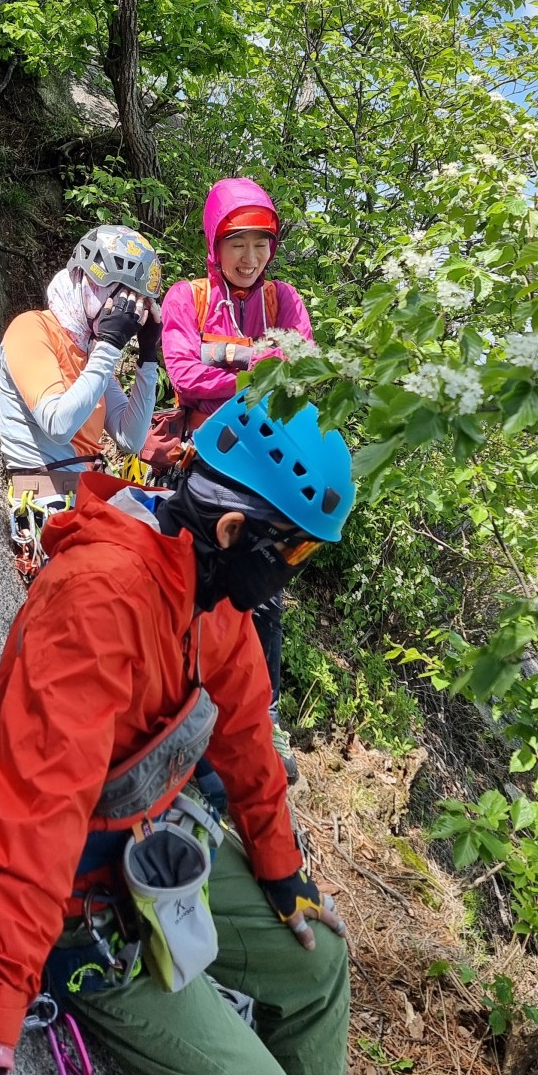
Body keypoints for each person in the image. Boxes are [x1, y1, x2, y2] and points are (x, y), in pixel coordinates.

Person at [0, 392, 355, 1075]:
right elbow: (34, 811)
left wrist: (281, 868)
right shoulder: (104, 603)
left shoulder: (206, 589)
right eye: (294, 552)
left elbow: (248, 731)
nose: (295, 573)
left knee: (319, 966)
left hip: (150, 848)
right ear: (232, 528)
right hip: (81, 901)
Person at [160, 179, 314, 782]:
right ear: (214, 242)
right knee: (187, 581)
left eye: (261, 243)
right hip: (204, 462)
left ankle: (258, 723)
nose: (249, 258)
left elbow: (303, 369)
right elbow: (183, 372)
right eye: (236, 242)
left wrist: (225, 363)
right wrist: (257, 367)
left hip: (268, 470)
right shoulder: (187, 298)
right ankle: (175, 701)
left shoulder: (284, 302)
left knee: (264, 596)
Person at [0, 224, 163, 502]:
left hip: (86, 493)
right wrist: (109, 346)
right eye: (119, 294)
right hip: (46, 495)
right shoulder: (30, 328)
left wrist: (148, 357)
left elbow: (130, 438)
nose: (125, 309)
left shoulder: (91, 352)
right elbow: (58, 424)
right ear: (85, 279)